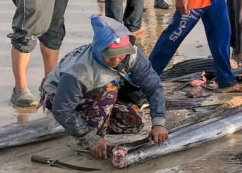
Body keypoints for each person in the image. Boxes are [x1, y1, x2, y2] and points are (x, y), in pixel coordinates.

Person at [42, 15, 169, 159]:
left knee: (133, 123)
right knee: (108, 91)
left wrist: (158, 122)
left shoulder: (133, 54)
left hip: (94, 92)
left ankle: (85, 123)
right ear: (99, 50)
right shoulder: (79, 70)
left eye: (121, 55)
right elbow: (62, 109)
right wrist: (90, 138)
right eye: (110, 55)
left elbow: (153, 86)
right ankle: (85, 138)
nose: (116, 60)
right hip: (59, 97)